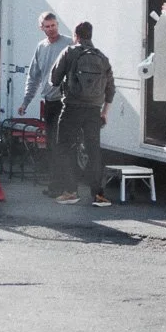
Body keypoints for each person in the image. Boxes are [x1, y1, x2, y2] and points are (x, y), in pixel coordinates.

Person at [48, 21, 116, 207]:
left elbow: (54, 79)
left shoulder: (69, 52)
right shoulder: (102, 57)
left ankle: (71, 192)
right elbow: (111, 89)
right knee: (94, 151)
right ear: (91, 36)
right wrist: (104, 112)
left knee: (65, 147)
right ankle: (98, 195)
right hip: (94, 110)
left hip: (72, 108)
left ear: (76, 35)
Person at [16, 12, 71, 190]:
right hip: (49, 101)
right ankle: (55, 185)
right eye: (47, 26)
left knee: (63, 144)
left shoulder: (69, 44)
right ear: (41, 28)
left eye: (53, 25)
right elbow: (34, 76)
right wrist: (26, 101)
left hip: (66, 101)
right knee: (51, 144)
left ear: (57, 25)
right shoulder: (41, 47)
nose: (51, 29)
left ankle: (67, 186)